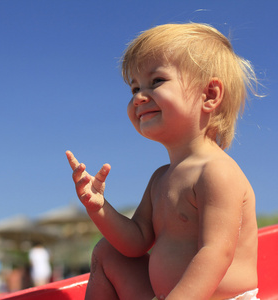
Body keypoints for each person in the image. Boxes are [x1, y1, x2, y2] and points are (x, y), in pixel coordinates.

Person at [66, 23, 259, 300]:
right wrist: (99, 208)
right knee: (108, 253)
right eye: (134, 88)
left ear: (210, 95)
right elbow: (136, 241)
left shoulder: (217, 172)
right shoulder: (160, 178)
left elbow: (217, 253)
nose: (139, 97)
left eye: (156, 82)